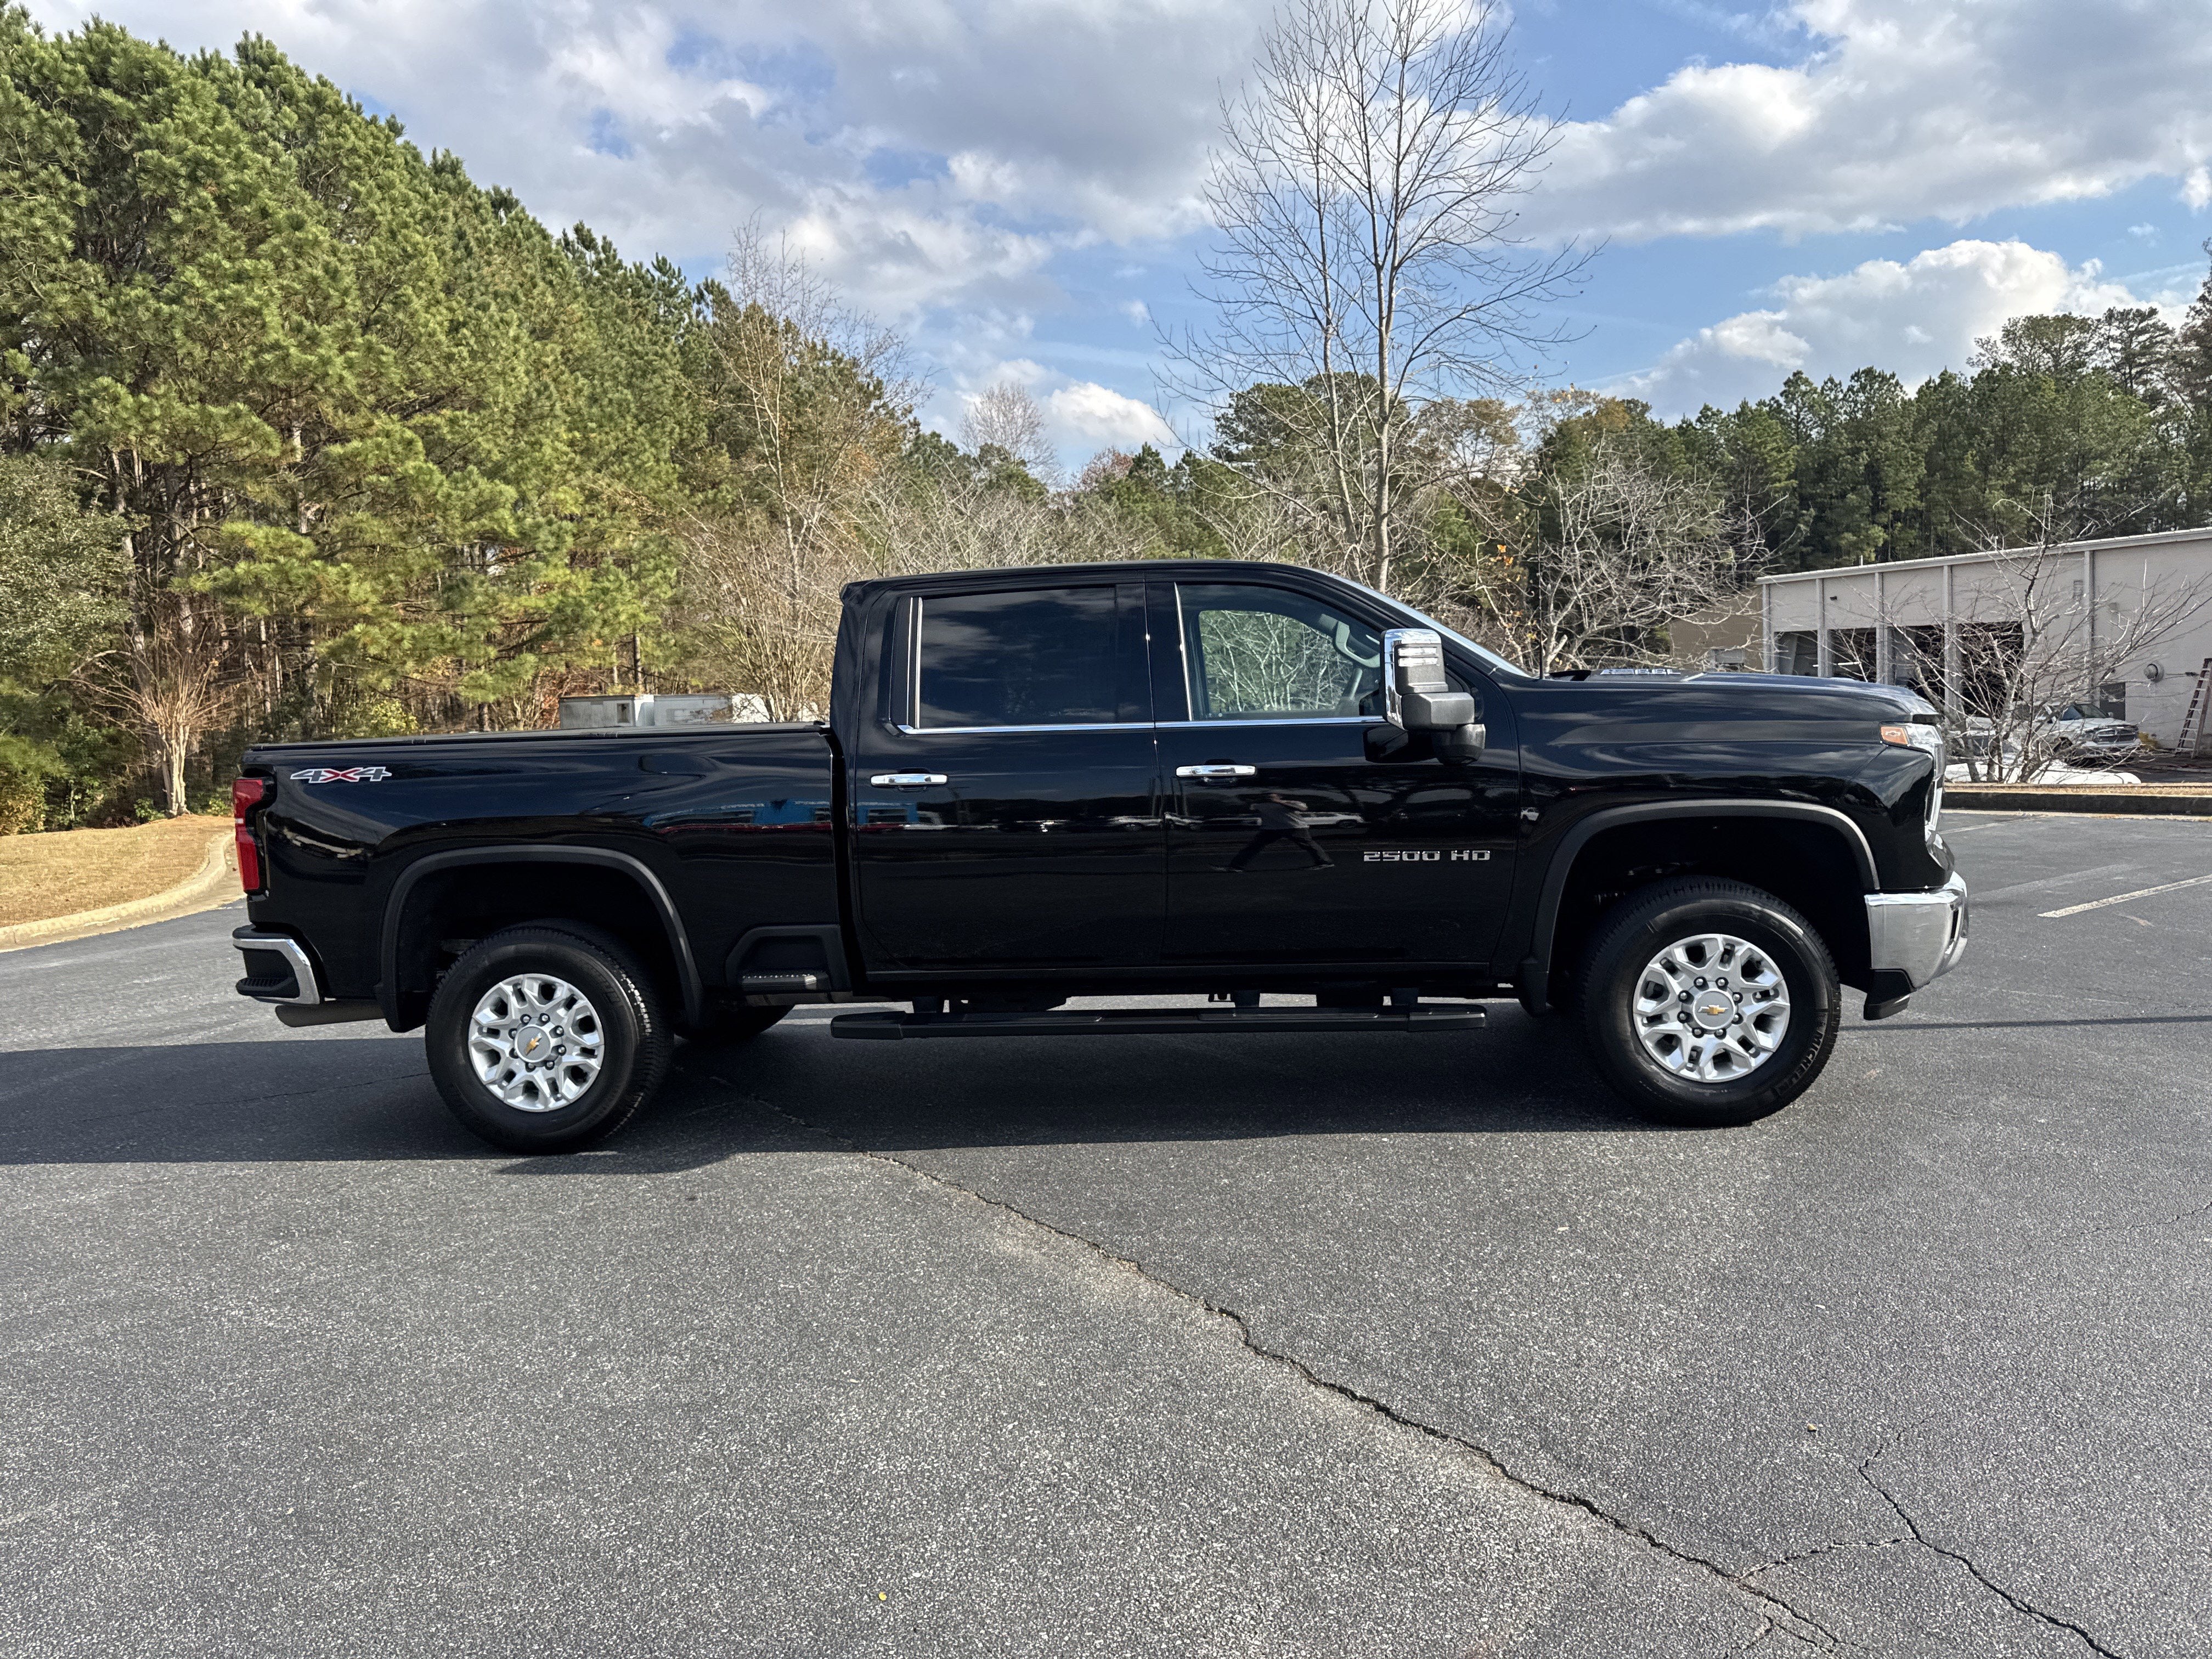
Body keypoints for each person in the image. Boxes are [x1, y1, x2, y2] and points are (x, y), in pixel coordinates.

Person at [1222, 793, 1333, 872]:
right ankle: (1236, 866)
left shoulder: (1293, 803)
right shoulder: (1261, 805)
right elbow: (1247, 807)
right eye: (1267, 796)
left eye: (1272, 795)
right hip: (1271, 829)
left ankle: (1325, 863)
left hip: (1294, 828)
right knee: (1253, 847)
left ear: (1280, 796)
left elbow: (1303, 809)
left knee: (1308, 845)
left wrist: (1279, 802)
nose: (1269, 797)